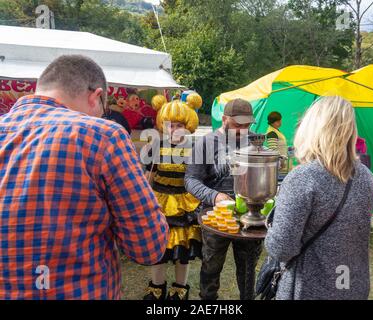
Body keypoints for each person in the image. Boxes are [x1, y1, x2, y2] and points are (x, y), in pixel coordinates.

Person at [0, 55, 169, 300]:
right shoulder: (103, 135)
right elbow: (148, 247)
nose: (101, 116)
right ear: (95, 96)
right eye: (103, 110)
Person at [265, 96, 373, 300]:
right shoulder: (369, 178)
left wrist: (271, 225)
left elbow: (282, 248)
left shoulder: (303, 178)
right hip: (353, 287)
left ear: (312, 129)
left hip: (308, 289)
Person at [185, 98, 263, 300]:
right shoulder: (207, 142)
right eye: (238, 125)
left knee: (247, 270)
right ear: (224, 118)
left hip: (250, 216)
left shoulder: (256, 142)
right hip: (216, 216)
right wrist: (215, 196)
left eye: (247, 125)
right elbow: (191, 179)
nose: (243, 130)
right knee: (211, 266)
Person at [143, 94, 203, 301]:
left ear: (188, 125)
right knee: (158, 246)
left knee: (182, 248)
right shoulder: (156, 146)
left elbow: (197, 179)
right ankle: (156, 287)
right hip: (159, 202)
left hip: (183, 204)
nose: (173, 129)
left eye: (178, 125)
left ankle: (180, 288)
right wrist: (144, 199)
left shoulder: (195, 148)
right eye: (169, 125)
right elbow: (148, 177)